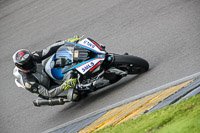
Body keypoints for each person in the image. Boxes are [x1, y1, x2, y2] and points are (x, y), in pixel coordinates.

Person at [13, 35, 82, 101]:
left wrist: (66, 42)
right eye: (27, 65)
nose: (30, 64)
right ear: (20, 67)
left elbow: (50, 49)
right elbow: (48, 93)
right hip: (50, 89)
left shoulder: (33, 56)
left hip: (47, 74)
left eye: (30, 61)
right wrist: (65, 85)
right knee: (75, 94)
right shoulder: (28, 82)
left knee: (69, 65)